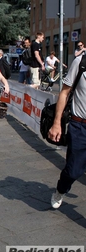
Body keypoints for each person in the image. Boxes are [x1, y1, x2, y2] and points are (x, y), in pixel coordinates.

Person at [49, 54, 86, 209]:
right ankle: (61, 189)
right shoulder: (81, 62)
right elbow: (64, 93)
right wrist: (57, 123)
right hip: (80, 127)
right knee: (72, 171)